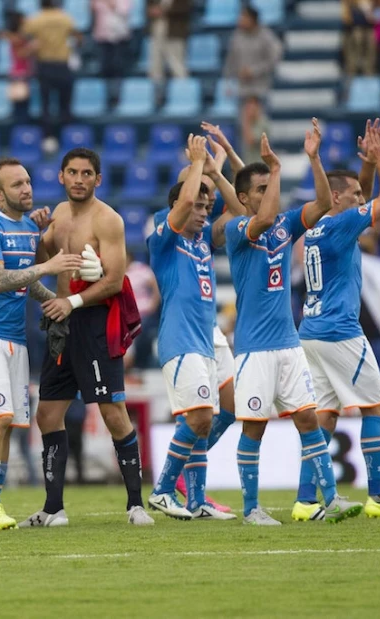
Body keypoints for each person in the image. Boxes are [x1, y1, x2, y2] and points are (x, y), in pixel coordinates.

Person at [225, 121, 362, 525]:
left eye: (271, 187)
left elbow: (322, 202)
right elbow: (264, 220)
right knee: (254, 428)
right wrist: (278, 170)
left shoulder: (287, 224)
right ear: (244, 198)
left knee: (308, 419)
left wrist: (313, 158)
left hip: (289, 345)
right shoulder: (238, 229)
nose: (270, 195)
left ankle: (330, 498)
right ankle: (251, 509)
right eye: (261, 190)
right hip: (253, 349)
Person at [20, 147, 154, 527]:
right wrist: (37, 233)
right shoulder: (58, 215)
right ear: (61, 176)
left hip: (93, 322)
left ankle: (135, 504)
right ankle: (53, 509)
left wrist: (72, 302)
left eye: (86, 173)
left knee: (113, 413)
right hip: (63, 325)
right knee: (48, 414)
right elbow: (41, 262)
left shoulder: (108, 220)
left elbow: (114, 280)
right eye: (72, 172)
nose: (79, 179)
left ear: (97, 179)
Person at [297, 119, 380, 520]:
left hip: (310, 331)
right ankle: (379, 499)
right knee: (375, 409)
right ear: (336, 197)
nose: (362, 197)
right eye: (356, 194)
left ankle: (305, 501)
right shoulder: (344, 223)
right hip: (340, 331)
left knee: (326, 418)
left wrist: (364, 164)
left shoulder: (316, 225)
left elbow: (356, 193)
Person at [0, 158, 85, 530]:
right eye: (16, 185)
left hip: (15, 338)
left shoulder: (30, 229)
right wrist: (48, 268)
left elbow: (26, 283)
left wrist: (58, 304)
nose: (26, 189)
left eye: (28, 181)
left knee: (10, 424)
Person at [145, 135, 237, 522]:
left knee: (230, 409)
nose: (203, 211)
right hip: (181, 338)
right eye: (197, 205)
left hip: (208, 337)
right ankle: (164, 489)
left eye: (206, 206)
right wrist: (198, 163)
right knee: (198, 418)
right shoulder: (163, 236)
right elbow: (184, 202)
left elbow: (240, 209)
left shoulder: (203, 241)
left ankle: (196, 499)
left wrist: (216, 167)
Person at [22, 0, 82, 154]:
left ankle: (48, 139)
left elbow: (24, 36)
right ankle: (68, 138)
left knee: (46, 105)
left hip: (45, 65)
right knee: (65, 104)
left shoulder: (36, 20)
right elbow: (78, 37)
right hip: (63, 65)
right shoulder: (65, 18)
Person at [223, 6, 282, 104]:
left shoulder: (266, 35)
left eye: (244, 17)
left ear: (253, 19)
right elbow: (230, 60)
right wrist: (228, 82)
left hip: (261, 89)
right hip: (242, 89)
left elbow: (275, 57)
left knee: (260, 118)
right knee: (243, 118)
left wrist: (254, 71)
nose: (240, 20)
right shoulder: (237, 36)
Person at [0, 11, 32, 122]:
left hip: (23, 70)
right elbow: (20, 54)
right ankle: (21, 128)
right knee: (20, 103)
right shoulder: (17, 38)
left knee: (23, 103)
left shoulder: (20, 37)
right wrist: (32, 48)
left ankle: (22, 127)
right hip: (19, 71)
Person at [146, 0, 189, 86]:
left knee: (176, 64)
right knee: (155, 64)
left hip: (175, 32)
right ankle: (155, 92)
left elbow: (185, 8)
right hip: (157, 29)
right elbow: (149, 6)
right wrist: (152, 10)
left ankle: (182, 90)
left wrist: (163, 11)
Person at [92, 0, 131, 79]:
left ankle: (117, 87)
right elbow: (94, 8)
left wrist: (109, 2)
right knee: (105, 65)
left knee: (118, 66)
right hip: (103, 34)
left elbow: (124, 11)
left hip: (119, 34)